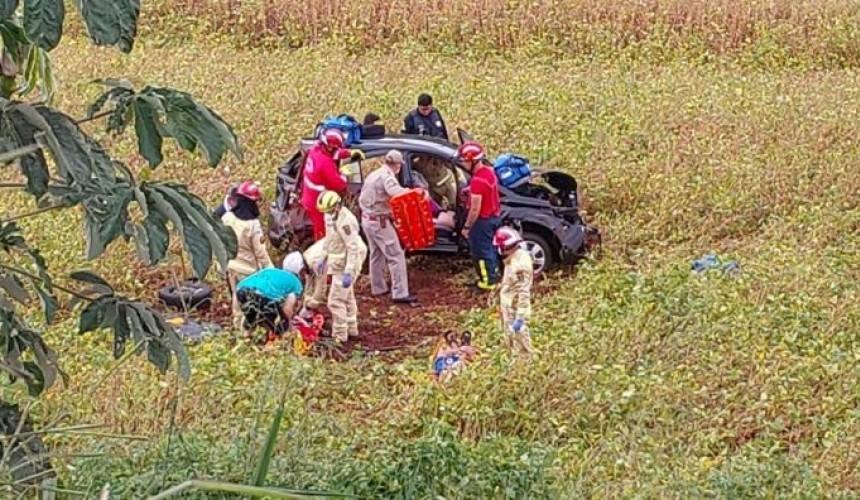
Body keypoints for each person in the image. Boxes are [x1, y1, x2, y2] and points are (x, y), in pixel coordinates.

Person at [358, 149, 420, 305]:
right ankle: (400, 293)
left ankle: (378, 287)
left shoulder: (375, 173)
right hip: (379, 221)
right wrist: (414, 193)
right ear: (397, 165)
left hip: (367, 219)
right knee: (396, 255)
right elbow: (397, 193)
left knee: (376, 254)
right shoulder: (387, 178)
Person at [220, 181, 275, 330]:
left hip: (231, 268)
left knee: (236, 300)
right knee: (248, 305)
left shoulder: (227, 217)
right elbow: (261, 252)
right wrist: (271, 270)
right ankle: (246, 333)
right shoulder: (252, 224)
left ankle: (238, 328)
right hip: (248, 272)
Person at [316, 190, 368, 342]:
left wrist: (349, 272)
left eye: (330, 211)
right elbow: (329, 238)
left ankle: (340, 335)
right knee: (347, 295)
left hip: (350, 261)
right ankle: (351, 328)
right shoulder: (330, 216)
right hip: (338, 262)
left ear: (337, 206)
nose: (328, 214)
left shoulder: (346, 222)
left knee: (335, 300)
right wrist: (323, 257)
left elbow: (353, 248)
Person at [300, 128, 365, 241]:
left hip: (311, 197)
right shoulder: (324, 163)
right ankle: (323, 252)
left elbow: (333, 153)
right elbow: (338, 184)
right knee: (323, 233)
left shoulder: (316, 149)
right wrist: (344, 174)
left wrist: (348, 153)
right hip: (318, 203)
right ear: (329, 146)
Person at [456, 141, 502, 292]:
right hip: (494, 218)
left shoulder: (477, 181)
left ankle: (487, 283)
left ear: (473, 161)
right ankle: (493, 276)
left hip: (482, 222)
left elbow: (475, 209)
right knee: (490, 250)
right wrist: (470, 190)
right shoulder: (489, 172)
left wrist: (467, 227)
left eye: (465, 161)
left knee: (481, 253)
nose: (464, 163)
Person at [493, 226, 534, 359]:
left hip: (515, 310)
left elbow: (523, 292)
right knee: (511, 341)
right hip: (510, 306)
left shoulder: (519, 266)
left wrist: (520, 317)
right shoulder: (516, 258)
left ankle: (524, 367)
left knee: (520, 342)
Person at [235, 267, 303, 345]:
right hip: (263, 295)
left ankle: (244, 343)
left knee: (251, 320)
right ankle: (281, 348)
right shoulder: (297, 284)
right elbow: (287, 309)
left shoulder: (274, 271)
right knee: (281, 326)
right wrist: (288, 325)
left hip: (241, 290)